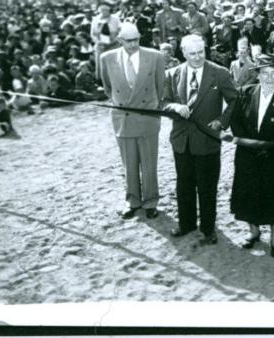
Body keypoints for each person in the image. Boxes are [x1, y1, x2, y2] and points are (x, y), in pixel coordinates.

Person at [162, 34, 239, 245]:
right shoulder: (172, 74)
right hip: (181, 140)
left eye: (201, 53)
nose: (197, 58)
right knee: (184, 184)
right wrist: (175, 107)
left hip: (207, 140)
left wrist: (221, 122)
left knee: (207, 186)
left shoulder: (220, 73)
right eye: (192, 54)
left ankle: (208, 228)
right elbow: (163, 102)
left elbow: (234, 101)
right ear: (183, 53)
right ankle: (186, 224)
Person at [229, 55, 274, 258]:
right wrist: (250, 144)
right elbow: (236, 122)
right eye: (265, 73)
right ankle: (254, 232)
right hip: (247, 155)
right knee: (248, 195)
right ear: (258, 75)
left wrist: (268, 147)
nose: (270, 78)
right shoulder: (245, 92)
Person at [100, 22, 166, 220]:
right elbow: (107, 88)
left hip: (147, 116)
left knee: (149, 164)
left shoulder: (155, 56)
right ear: (120, 40)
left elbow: (160, 87)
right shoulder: (107, 58)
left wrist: (152, 108)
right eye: (128, 41)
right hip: (123, 119)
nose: (133, 44)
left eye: (136, 39)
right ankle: (132, 201)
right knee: (128, 164)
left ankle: (151, 201)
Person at [90, 1, 122, 80]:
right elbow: (92, 34)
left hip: (114, 45)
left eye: (106, 10)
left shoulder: (115, 19)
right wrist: (98, 42)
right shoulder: (95, 19)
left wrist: (113, 42)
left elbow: (120, 32)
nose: (104, 12)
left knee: (114, 65)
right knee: (102, 65)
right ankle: (101, 82)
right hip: (101, 46)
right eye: (102, 10)